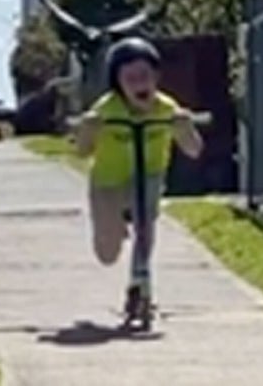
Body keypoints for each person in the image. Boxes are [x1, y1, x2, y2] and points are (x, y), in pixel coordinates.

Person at [73, 36, 204, 317]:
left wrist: (184, 127)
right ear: (117, 82)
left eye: (145, 75)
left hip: (149, 176)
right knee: (107, 254)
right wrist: (88, 128)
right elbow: (82, 152)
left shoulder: (166, 109)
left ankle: (139, 283)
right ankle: (115, 225)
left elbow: (193, 150)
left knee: (146, 224)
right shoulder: (106, 110)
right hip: (108, 181)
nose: (139, 84)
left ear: (156, 76)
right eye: (130, 78)